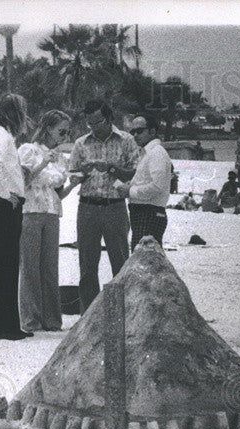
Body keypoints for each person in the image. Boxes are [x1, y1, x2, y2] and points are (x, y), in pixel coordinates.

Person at [67, 99, 140, 312]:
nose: (93, 128)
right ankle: (89, 317)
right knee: (87, 266)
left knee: (120, 262)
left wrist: (112, 168)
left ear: (108, 119)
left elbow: (135, 173)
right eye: (89, 124)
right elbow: (72, 174)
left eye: (97, 123)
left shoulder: (126, 140)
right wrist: (83, 172)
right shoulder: (81, 143)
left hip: (115, 206)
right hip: (87, 207)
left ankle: (120, 315)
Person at [17, 110, 73, 333]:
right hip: (30, 211)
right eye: (61, 131)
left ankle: (52, 320)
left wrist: (73, 184)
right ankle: (31, 320)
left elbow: (56, 192)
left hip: (51, 212)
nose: (65, 136)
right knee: (30, 267)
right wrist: (42, 163)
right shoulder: (28, 150)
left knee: (50, 267)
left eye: (68, 132)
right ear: (48, 128)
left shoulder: (59, 156)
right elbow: (23, 181)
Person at [0, 93, 30, 340]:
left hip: (0, 204)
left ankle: (0, 325)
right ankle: (4, 327)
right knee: (6, 265)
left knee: (4, 264)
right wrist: (5, 193)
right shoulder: (0, 134)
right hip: (4, 206)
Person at [116, 114, 172, 249]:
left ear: (152, 131)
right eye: (133, 132)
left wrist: (130, 191)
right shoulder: (148, 153)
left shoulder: (156, 153)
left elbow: (157, 186)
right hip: (144, 213)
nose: (135, 135)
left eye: (139, 131)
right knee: (144, 261)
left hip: (150, 214)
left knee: (143, 261)